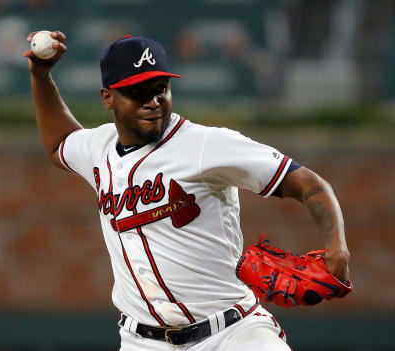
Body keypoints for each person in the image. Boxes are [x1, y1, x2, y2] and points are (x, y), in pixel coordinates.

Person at [24, 31, 350, 351]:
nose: (153, 101)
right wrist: (41, 77)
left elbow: (310, 184)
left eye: (160, 89)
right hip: (142, 341)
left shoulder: (206, 144)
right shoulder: (99, 146)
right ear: (108, 97)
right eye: (138, 92)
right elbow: (59, 144)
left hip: (232, 333)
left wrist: (337, 247)